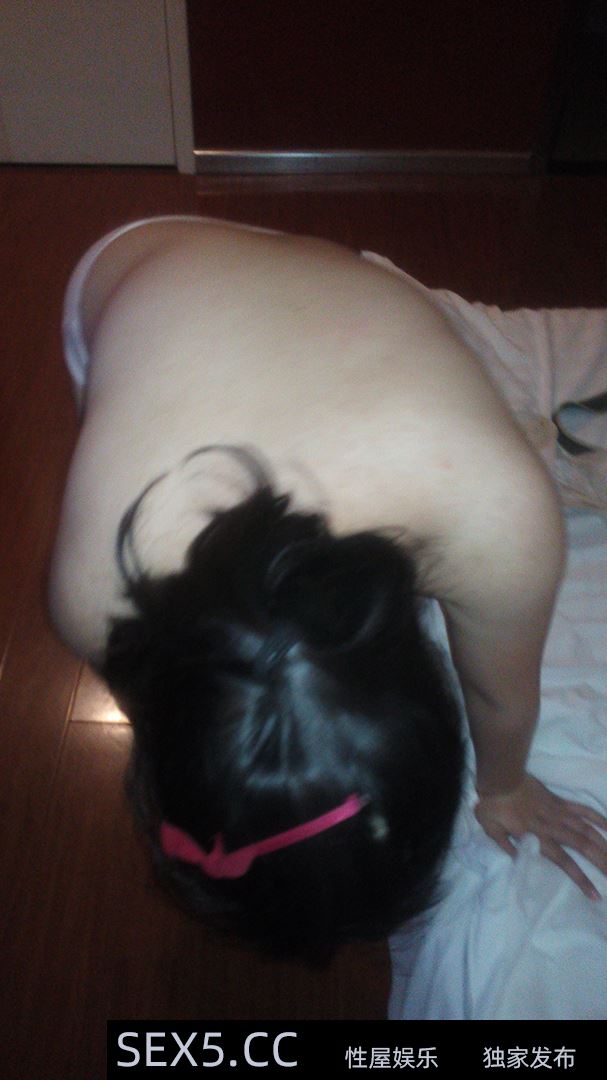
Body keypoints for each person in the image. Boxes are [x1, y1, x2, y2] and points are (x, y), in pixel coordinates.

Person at [49, 217, 607, 960]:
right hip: (140, 283)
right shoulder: (93, 601)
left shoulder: (502, 516)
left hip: (198, 275)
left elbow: (502, 699)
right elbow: (182, 716)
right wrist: (502, 787)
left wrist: (504, 787)